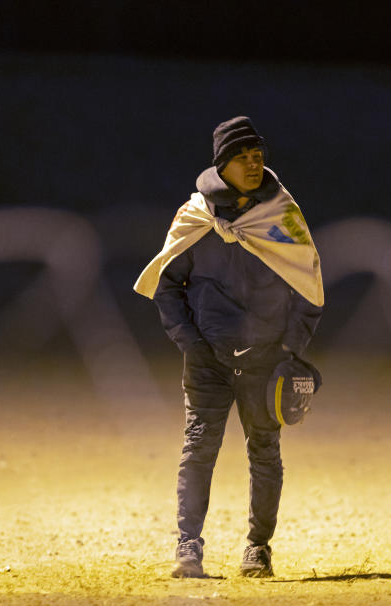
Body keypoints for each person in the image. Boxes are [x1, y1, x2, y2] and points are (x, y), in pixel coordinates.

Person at [134, 116, 323, 578]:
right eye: (243, 158)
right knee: (199, 448)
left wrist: (288, 350)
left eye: (259, 156)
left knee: (265, 452)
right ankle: (188, 546)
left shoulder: (282, 215)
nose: (254, 164)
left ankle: (258, 548)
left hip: (265, 361)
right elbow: (167, 287)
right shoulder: (195, 217)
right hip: (208, 361)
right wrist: (192, 344)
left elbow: (309, 288)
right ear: (223, 165)